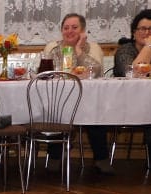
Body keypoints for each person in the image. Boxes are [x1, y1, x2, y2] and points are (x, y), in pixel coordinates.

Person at [43, 13, 111, 174]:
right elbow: (46, 73)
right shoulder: (53, 48)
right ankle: (54, 158)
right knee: (55, 113)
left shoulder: (92, 47)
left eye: (74, 27)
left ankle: (101, 159)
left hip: (88, 100)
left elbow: (96, 71)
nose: (69, 31)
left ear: (82, 30)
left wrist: (79, 49)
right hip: (60, 99)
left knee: (96, 114)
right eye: (66, 28)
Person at [113, 9, 151, 169]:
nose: (146, 32)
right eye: (142, 29)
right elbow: (134, 73)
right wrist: (149, 46)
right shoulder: (124, 50)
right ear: (134, 32)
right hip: (127, 103)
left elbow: (143, 69)